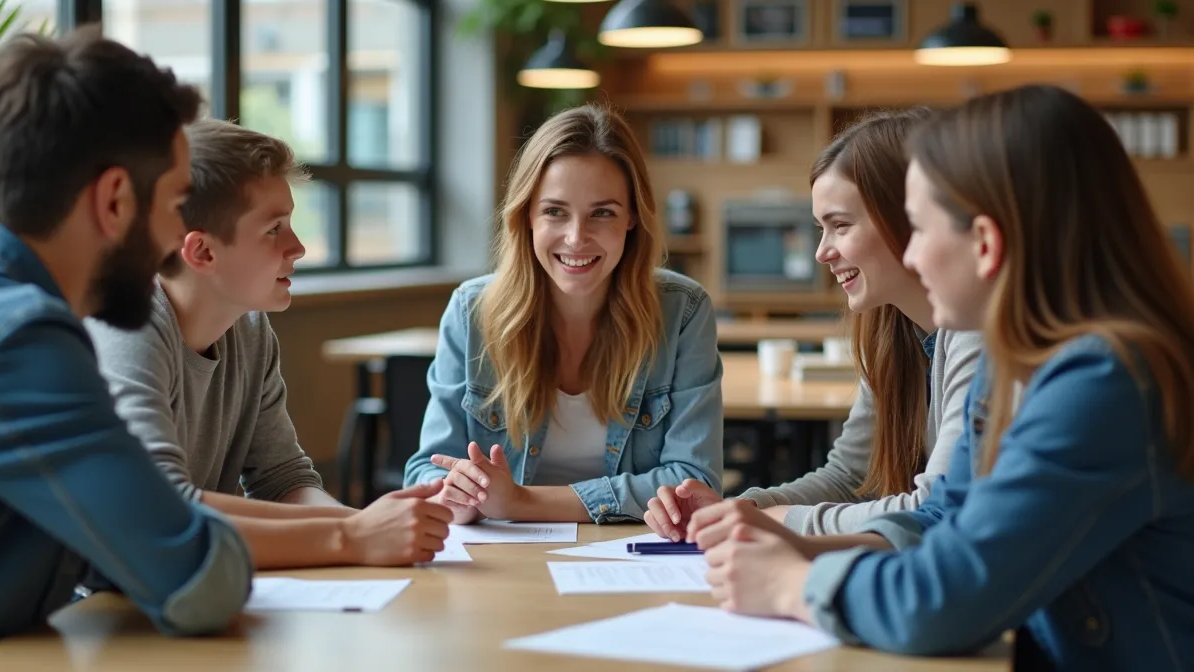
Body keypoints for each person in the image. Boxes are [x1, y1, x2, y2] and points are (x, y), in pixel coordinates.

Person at [692, 84, 1194, 669]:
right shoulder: (1022, 363)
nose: (913, 256)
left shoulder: (1105, 383)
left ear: (984, 243)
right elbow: (940, 520)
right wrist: (791, 544)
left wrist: (792, 585)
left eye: (920, 229)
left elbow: (946, 598)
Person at [0, 28, 255, 671]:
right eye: (173, 205)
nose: (175, 240)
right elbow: (200, 584)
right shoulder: (20, 344)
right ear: (114, 200)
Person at [84, 118, 451, 569]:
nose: (297, 247)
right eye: (274, 228)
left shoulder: (250, 329)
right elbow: (161, 509)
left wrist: (375, 528)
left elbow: (282, 480)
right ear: (202, 252)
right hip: (94, 613)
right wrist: (352, 536)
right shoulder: (127, 327)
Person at [645, 109, 981, 541]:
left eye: (840, 226)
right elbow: (850, 480)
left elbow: (936, 509)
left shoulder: (976, 331)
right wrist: (737, 509)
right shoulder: (888, 332)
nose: (822, 252)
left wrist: (777, 519)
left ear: (911, 218)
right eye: (821, 229)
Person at [402, 104, 723, 524]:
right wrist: (457, 495)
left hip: (631, 558)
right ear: (527, 216)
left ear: (631, 218)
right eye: (555, 211)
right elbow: (427, 469)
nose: (576, 238)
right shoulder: (471, 310)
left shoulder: (683, 311)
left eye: (602, 213)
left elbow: (694, 481)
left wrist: (521, 503)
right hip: (502, 558)